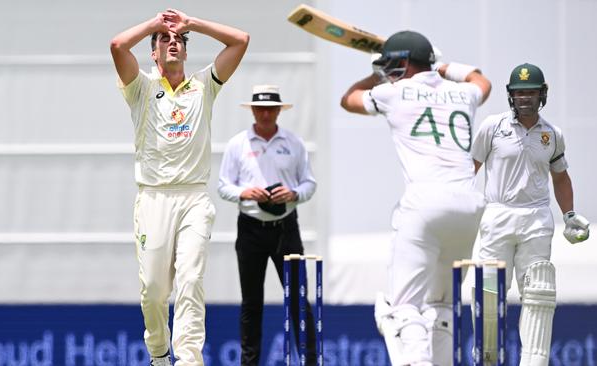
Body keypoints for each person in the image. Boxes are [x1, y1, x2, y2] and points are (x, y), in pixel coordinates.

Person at [340, 30, 492, 365]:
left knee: (402, 306)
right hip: (469, 208)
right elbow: (482, 81)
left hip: (425, 203)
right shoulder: (462, 93)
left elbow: (349, 99)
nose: (388, 72)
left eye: (393, 66)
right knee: (441, 306)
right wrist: (444, 66)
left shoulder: (393, 92)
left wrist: (375, 74)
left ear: (406, 63)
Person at [110, 9, 249, 366]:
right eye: (164, 40)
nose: (173, 44)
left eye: (179, 41)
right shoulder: (141, 88)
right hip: (153, 199)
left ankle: (189, 360)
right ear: (153, 52)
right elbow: (117, 45)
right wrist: (154, 25)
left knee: (190, 280)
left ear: (186, 52)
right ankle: (159, 354)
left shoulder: (204, 86)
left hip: (193, 198)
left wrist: (193, 24)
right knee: (154, 293)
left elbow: (241, 40)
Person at [471, 63, 590, 365]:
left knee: (538, 289)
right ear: (510, 96)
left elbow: (560, 177)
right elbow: (469, 168)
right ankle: (487, 359)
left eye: (531, 92)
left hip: (536, 217)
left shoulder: (552, 134)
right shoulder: (492, 126)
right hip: (497, 214)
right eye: (519, 92)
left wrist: (570, 214)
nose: (525, 98)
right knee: (488, 291)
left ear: (542, 95)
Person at [217, 85, 318, 365]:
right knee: (251, 303)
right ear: (252, 110)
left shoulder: (293, 142)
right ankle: (249, 364)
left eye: (270, 109)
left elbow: (310, 182)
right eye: (260, 108)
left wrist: (294, 193)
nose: (265, 114)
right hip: (250, 228)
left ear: (278, 111)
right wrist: (244, 192)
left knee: (299, 300)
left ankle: (311, 361)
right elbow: (223, 186)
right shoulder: (238, 144)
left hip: (286, 227)